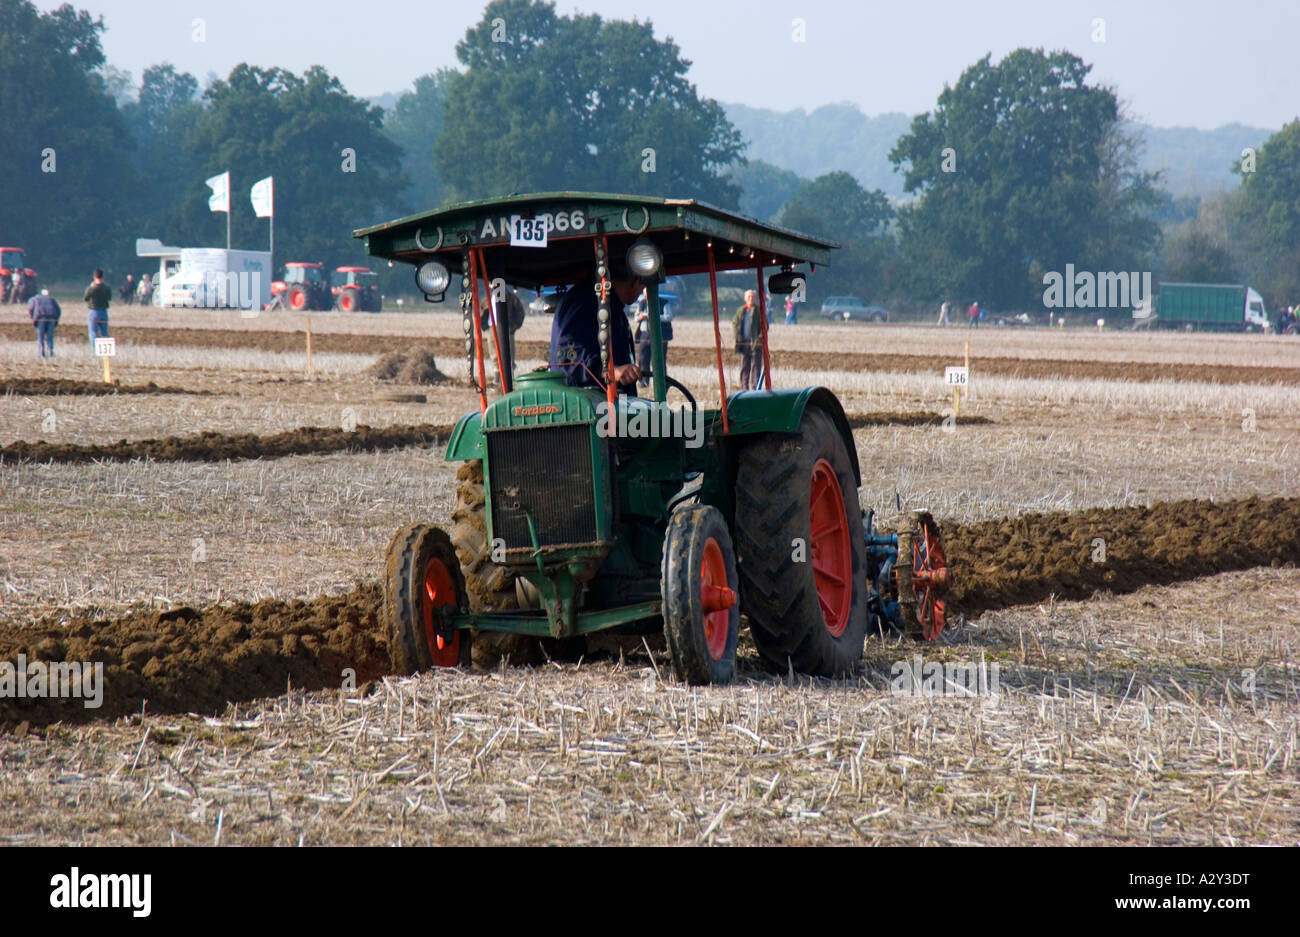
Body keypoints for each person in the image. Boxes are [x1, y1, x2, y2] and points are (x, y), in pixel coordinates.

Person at [549, 272, 641, 389]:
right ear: (636, 282)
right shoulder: (584, 300)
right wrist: (609, 371)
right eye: (643, 287)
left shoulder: (614, 308)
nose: (641, 292)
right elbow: (567, 353)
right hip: (584, 401)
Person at [732, 289, 764, 391]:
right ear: (745, 298)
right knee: (744, 367)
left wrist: (759, 338)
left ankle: (755, 389)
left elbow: (764, 326)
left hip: (756, 345)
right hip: (744, 343)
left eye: (753, 297)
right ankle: (744, 388)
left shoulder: (759, 311)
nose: (751, 299)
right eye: (749, 297)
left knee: (756, 368)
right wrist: (738, 337)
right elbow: (735, 324)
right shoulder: (741, 311)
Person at [27, 288, 61, 358]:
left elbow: (30, 308)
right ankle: (50, 352)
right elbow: (58, 310)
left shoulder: (35, 299)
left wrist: (32, 317)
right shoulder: (52, 300)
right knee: (50, 337)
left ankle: (41, 353)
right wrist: (56, 319)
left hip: (40, 320)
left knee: (41, 337)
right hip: (52, 320)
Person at [84, 268, 112, 347]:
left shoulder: (91, 288)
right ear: (102, 277)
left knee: (93, 334)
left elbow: (86, 298)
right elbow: (109, 298)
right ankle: (106, 351)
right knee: (105, 333)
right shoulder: (107, 288)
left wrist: (90, 287)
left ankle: (94, 351)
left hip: (94, 312)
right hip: (103, 312)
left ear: (94, 277)